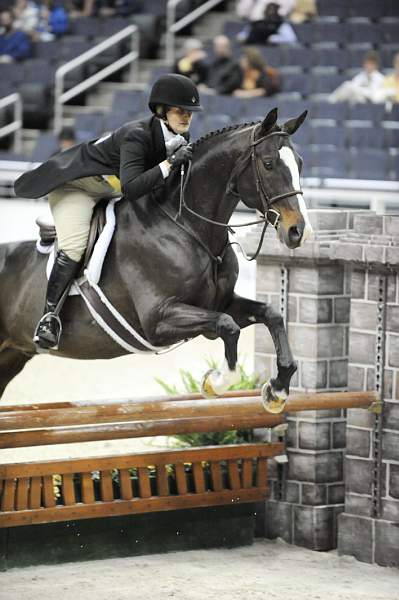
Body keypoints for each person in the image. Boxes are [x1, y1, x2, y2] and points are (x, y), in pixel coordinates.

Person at [14, 74, 202, 350]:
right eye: (179, 110)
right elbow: (132, 187)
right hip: (77, 187)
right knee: (76, 246)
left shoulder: (180, 135)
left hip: (109, 188)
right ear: (162, 111)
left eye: (189, 112)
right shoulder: (137, 136)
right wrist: (170, 164)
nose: (186, 117)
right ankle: (49, 317)